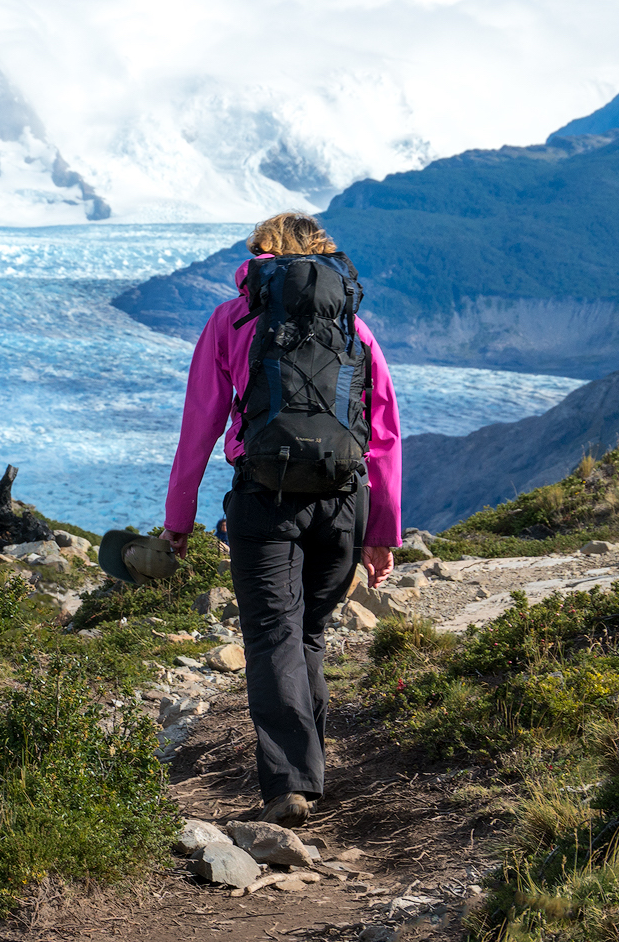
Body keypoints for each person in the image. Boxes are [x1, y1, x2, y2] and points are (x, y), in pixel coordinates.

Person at [160, 212, 400, 828]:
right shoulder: (356, 330)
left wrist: (178, 520)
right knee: (307, 636)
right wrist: (382, 534)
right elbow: (384, 437)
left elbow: (200, 427)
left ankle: (291, 782)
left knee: (272, 637)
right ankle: (309, 770)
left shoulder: (231, 320)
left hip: (263, 499)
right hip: (343, 504)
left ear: (260, 257)